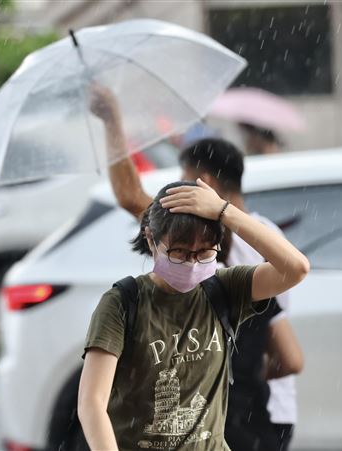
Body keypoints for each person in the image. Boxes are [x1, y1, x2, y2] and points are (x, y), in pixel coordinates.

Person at [89, 86, 304, 450]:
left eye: (204, 253)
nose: (193, 260)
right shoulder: (127, 296)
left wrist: (220, 212)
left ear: (207, 186)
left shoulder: (234, 253)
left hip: (250, 411)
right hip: (250, 408)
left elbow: (290, 345)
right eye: (180, 253)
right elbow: (91, 403)